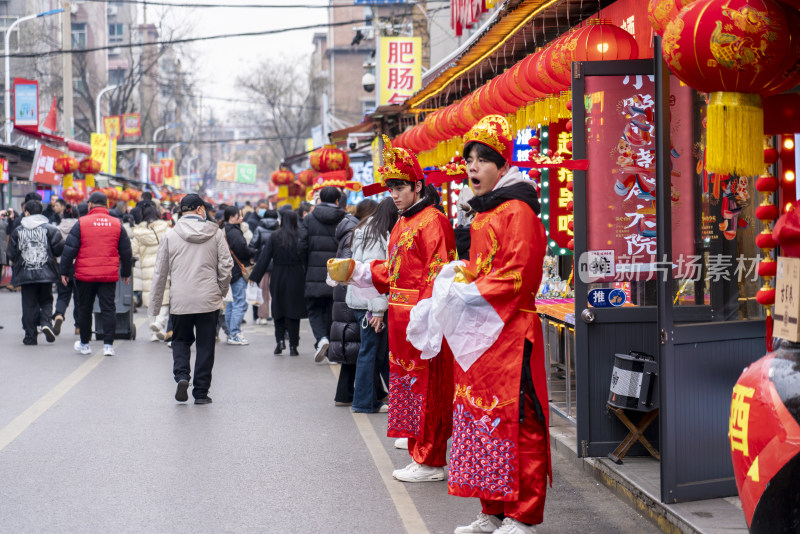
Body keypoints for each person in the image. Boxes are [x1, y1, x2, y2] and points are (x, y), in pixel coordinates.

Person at [411, 116, 548, 534]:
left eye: (482, 160)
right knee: (482, 422)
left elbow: (519, 275)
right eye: (469, 159)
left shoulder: (518, 211)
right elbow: (484, 269)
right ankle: (493, 511)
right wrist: (460, 276)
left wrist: (469, 290)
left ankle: (524, 515)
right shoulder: (485, 212)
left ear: (503, 166)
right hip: (482, 340)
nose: (472, 167)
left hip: (512, 336)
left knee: (519, 422)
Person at [328, 137, 456, 483]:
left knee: (428, 389)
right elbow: (394, 272)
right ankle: (419, 452)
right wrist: (358, 270)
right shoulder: (402, 223)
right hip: (403, 322)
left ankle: (431, 459)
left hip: (421, 321)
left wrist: (428, 317)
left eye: (400, 187)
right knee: (409, 387)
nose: (395, 194)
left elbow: (440, 276)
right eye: (391, 187)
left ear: (418, 186)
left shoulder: (433, 222)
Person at [149, 194, 233, 404]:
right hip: (208, 299)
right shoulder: (215, 234)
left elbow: (160, 272)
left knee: (180, 340)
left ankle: (182, 376)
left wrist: (155, 306)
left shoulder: (170, 235)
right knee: (206, 345)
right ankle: (201, 393)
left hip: (181, 300)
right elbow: (226, 265)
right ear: (199, 210)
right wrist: (221, 290)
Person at [60, 191, 133, 357]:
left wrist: (64, 271)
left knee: (85, 309)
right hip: (108, 274)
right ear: (107, 205)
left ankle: (85, 344)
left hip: (85, 275)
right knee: (108, 309)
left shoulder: (81, 223)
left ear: (90, 205)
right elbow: (126, 251)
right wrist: (126, 272)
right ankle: (108, 345)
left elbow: (69, 250)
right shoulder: (116, 224)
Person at [348, 197, 397, 413]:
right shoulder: (376, 236)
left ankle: (371, 399)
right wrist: (377, 309)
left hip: (360, 300)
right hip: (369, 302)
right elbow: (373, 275)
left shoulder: (365, 229)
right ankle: (363, 402)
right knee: (370, 352)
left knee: (374, 352)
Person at [329, 198, 377, 406]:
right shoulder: (355, 232)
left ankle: (353, 394)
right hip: (352, 292)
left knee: (356, 347)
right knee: (358, 347)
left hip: (349, 293)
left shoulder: (351, 229)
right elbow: (350, 266)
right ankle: (355, 397)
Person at [7, 199, 64, 345]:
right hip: (46, 273)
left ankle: (30, 336)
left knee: (28, 304)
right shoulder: (50, 229)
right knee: (46, 299)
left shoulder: (18, 231)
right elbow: (58, 250)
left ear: (26, 212)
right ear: (41, 212)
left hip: (26, 274)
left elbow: (11, 253)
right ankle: (46, 322)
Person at [299, 186, 346, 361]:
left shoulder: (310, 219)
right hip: (338, 273)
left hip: (314, 272)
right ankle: (331, 348)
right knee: (331, 311)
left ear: (319, 199)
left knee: (314, 309)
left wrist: (307, 265)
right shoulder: (345, 218)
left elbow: (301, 246)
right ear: (337, 201)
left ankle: (322, 339)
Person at [249, 210, 305, 356]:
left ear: (282, 221)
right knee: (294, 311)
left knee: (278, 308)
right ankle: (293, 345)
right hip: (297, 276)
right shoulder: (301, 235)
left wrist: (254, 276)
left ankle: (280, 341)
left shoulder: (275, 236)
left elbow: (264, 258)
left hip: (278, 274)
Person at [131, 204, 171, 341]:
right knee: (165, 298)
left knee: (151, 300)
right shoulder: (166, 228)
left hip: (147, 270)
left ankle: (153, 334)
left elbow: (133, 251)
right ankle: (160, 324)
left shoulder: (139, 232)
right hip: (164, 267)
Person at [223, 205, 256, 345]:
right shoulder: (235, 232)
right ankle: (235, 333)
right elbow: (242, 250)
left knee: (232, 302)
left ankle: (231, 332)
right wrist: (252, 252)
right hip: (238, 270)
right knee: (240, 302)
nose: (242, 218)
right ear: (231, 217)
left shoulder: (226, 230)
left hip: (230, 270)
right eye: (239, 215)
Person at [248, 209, 279, 325]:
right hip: (277, 264)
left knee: (263, 290)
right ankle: (276, 314)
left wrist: (256, 255)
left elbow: (252, 245)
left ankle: (263, 317)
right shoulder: (278, 229)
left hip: (263, 264)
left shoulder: (259, 229)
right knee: (275, 291)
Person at [53, 203, 80, 336]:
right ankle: (78, 326)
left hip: (62, 266)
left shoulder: (57, 229)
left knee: (63, 294)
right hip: (78, 266)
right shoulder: (80, 228)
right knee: (79, 297)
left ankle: (59, 314)